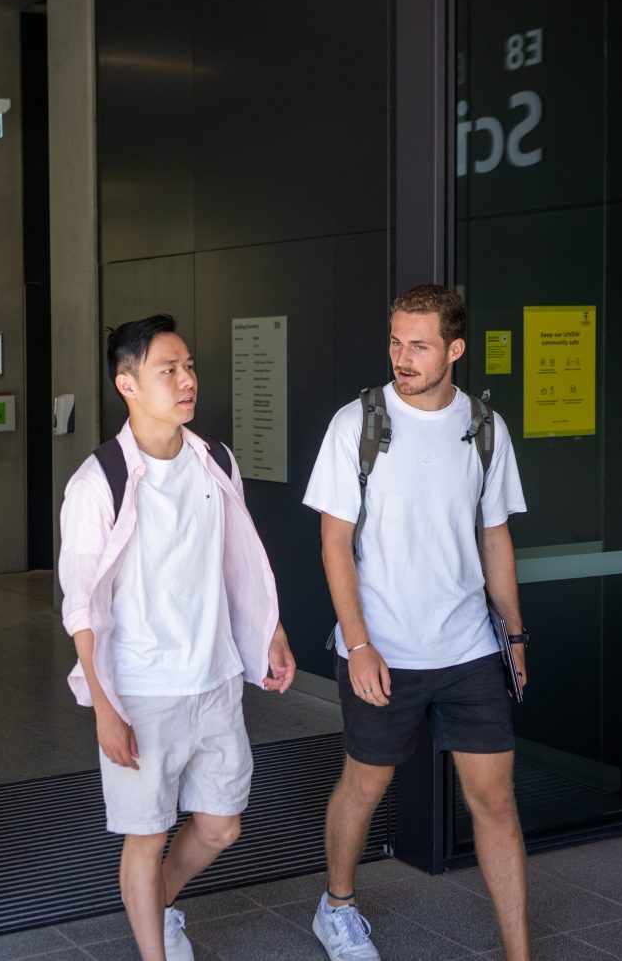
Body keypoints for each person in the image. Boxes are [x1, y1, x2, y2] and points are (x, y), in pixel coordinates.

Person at [302, 284, 530, 961]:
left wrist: (514, 632)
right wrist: (362, 642)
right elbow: (333, 542)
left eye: (420, 344)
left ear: (455, 348)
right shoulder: (356, 425)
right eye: (396, 341)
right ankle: (336, 905)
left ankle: (519, 953)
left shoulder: (483, 427)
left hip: (467, 646)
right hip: (384, 647)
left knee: (494, 799)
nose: (402, 356)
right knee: (366, 782)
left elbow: (494, 537)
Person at [59, 314, 297, 961]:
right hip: (141, 688)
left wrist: (269, 631)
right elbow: (80, 605)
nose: (187, 379)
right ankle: (154, 943)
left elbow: (238, 563)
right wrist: (104, 706)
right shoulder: (97, 482)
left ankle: (155, 900)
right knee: (147, 834)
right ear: (127, 382)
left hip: (215, 678)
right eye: (169, 369)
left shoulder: (214, 460)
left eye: (189, 366)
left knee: (222, 824)